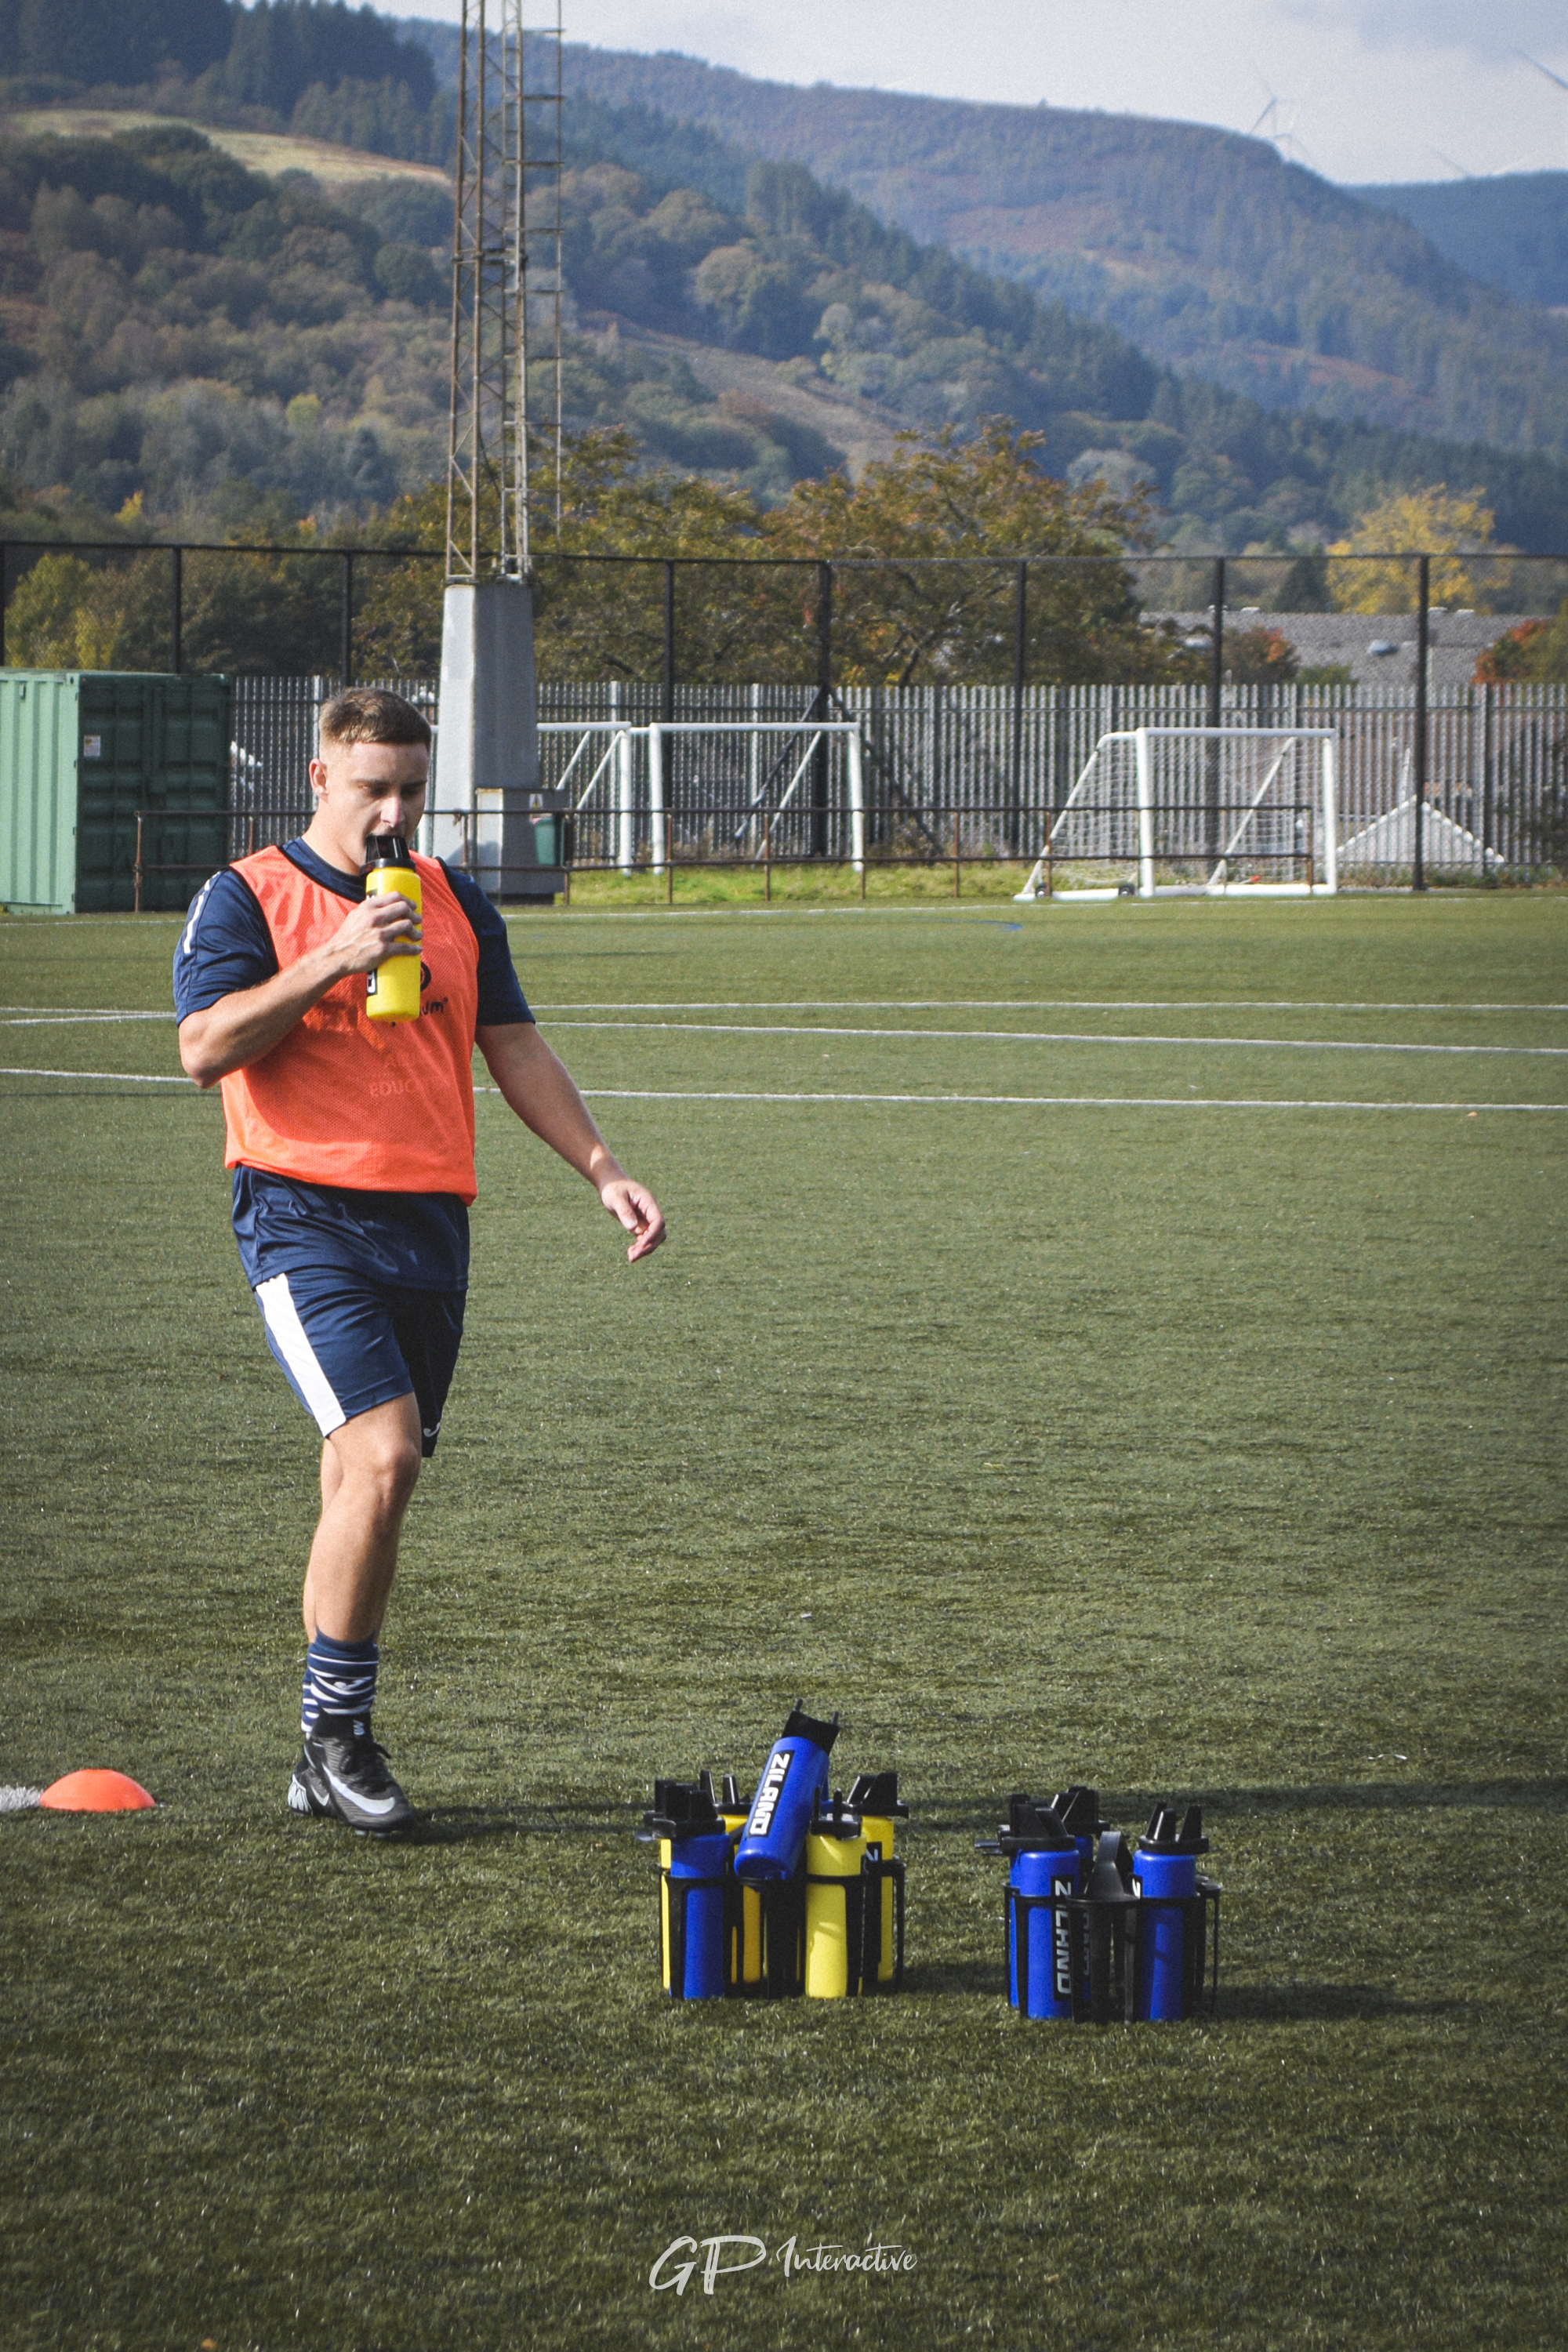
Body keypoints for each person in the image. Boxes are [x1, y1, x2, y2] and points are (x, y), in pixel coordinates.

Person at [173, 686, 664, 1833]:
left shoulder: (453, 899)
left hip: (430, 1223)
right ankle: (340, 1738)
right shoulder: (251, 894)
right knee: (384, 1458)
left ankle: (316, 1756)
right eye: (370, 789)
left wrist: (603, 1167)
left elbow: (515, 1046)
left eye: (409, 789)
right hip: (302, 1212)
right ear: (318, 783)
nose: (393, 812)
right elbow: (204, 1048)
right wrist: (332, 959)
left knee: (368, 1484)